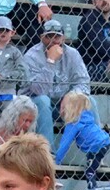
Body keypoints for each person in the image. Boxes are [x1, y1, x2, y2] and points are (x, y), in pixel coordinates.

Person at [23, 17, 89, 146]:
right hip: (37, 105)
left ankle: (94, 149)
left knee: (88, 100)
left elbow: (84, 82)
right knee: (43, 100)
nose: (53, 41)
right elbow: (38, 90)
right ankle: (48, 151)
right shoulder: (31, 55)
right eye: (49, 37)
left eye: (57, 37)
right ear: (42, 37)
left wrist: (71, 95)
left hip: (65, 104)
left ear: (63, 38)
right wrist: (51, 61)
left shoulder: (72, 54)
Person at [54, 90, 109, 185]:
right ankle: (91, 161)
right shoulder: (88, 117)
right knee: (94, 154)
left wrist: (57, 161)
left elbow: (65, 144)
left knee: (91, 168)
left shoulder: (73, 124)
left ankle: (91, 178)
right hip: (106, 141)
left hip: (96, 145)